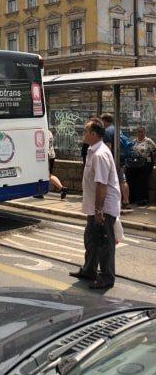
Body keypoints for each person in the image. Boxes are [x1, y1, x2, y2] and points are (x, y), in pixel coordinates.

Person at [69, 117, 120, 289]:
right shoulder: (92, 150)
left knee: (104, 242)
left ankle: (107, 277)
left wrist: (99, 211)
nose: (83, 134)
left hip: (103, 207)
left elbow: (102, 185)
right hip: (94, 206)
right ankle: (89, 270)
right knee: (91, 238)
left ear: (93, 134)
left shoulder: (100, 154)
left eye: (85, 131)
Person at [101, 113, 131, 209]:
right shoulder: (117, 129)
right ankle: (126, 201)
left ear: (105, 120)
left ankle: (113, 201)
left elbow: (108, 148)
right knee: (122, 180)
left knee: (111, 181)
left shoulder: (106, 131)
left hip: (113, 160)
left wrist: (107, 162)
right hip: (122, 159)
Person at [126, 126, 156, 207]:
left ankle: (142, 199)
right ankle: (132, 198)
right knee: (130, 179)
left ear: (144, 132)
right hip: (135, 164)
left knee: (142, 181)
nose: (140, 133)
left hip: (145, 164)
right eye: (138, 132)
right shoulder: (134, 141)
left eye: (141, 132)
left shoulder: (148, 141)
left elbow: (154, 150)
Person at [48, 130, 67, 199]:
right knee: (48, 175)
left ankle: (62, 188)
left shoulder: (42, 132)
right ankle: (62, 188)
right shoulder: (49, 132)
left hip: (46, 156)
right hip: (52, 155)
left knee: (47, 175)